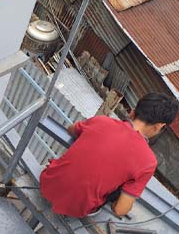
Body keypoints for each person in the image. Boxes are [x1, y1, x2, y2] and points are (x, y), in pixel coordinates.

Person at [40, 93, 179, 218]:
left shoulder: (102, 121)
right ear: (159, 126)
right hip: (76, 208)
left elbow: (71, 129)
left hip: (47, 183)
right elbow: (120, 210)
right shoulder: (148, 162)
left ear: (133, 112)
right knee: (120, 187)